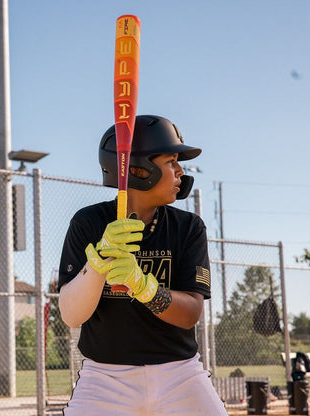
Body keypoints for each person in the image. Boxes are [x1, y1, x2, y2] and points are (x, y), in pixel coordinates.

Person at [58, 115, 228, 415]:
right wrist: (99, 263)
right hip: (104, 378)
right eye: (171, 161)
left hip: (180, 374)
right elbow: (72, 315)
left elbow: (190, 314)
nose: (180, 171)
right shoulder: (89, 222)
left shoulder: (187, 227)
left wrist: (145, 287)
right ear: (138, 170)